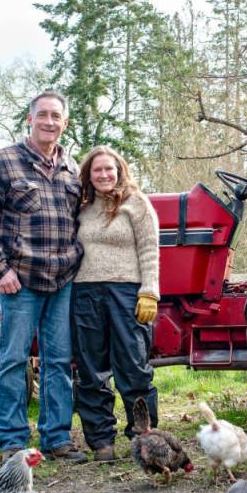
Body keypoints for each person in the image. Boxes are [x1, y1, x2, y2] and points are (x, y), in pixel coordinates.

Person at [0, 90, 88, 463]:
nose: (49, 122)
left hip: (62, 279)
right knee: (14, 360)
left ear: (65, 123)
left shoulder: (73, 170)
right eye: (43, 115)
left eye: (57, 116)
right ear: (29, 118)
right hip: (19, 281)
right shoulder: (2, 164)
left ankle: (56, 439)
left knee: (58, 361)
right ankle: (14, 443)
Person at [71, 145, 160, 462]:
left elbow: (150, 249)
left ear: (120, 170)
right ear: (89, 175)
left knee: (133, 367)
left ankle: (144, 437)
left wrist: (149, 290)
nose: (104, 174)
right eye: (97, 170)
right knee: (91, 370)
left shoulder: (136, 204)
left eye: (110, 169)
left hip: (126, 293)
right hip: (85, 293)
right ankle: (101, 442)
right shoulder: (82, 207)